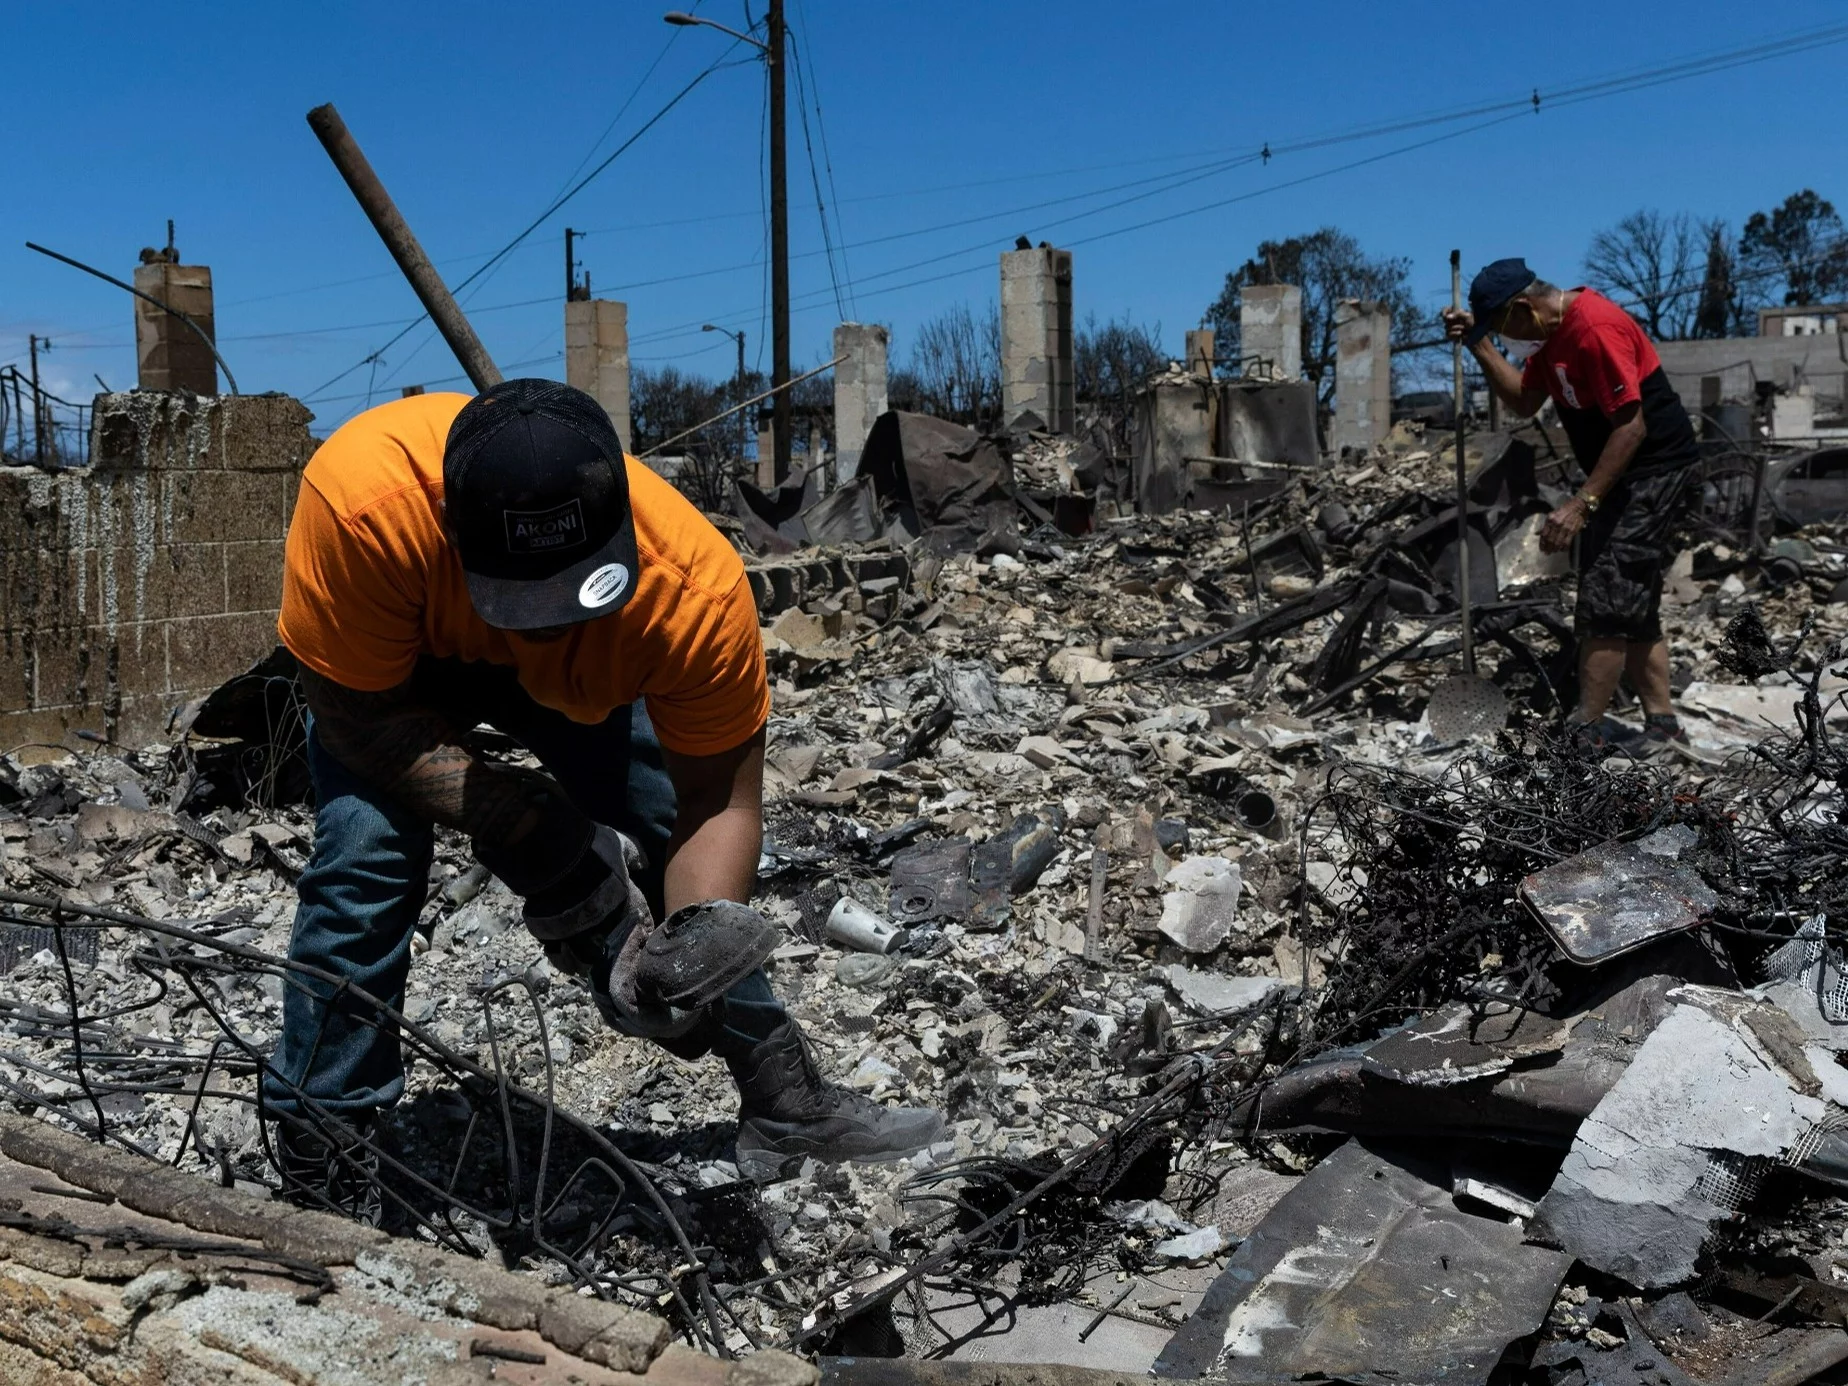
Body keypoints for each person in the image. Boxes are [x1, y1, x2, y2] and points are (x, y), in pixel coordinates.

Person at [262, 379, 941, 1217]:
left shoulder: (691, 592)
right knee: (366, 858)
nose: (546, 628)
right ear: (451, 534)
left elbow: (716, 805)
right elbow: (354, 722)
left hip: (591, 682)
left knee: (668, 833)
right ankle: (321, 1157)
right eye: (528, 605)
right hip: (398, 672)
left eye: (572, 600)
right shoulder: (366, 506)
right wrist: (532, 830)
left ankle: (786, 1099)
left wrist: (684, 963)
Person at [1443, 258, 1699, 751]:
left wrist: (1582, 503)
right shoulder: (1547, 339)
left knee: (1606, 596)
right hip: (1629, 475)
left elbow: (1632, 426)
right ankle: (1663, 724)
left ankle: (1587, 732)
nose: (1507, 338)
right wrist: (1479, 343)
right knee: (1632, 600)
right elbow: (1522, 400)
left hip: (1656, 472)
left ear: (1524, 307)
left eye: (1502, 327)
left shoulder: (1595, 327)